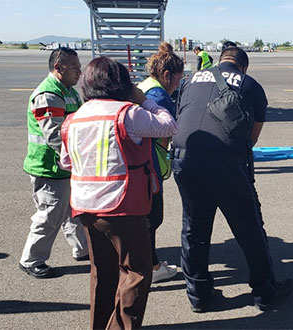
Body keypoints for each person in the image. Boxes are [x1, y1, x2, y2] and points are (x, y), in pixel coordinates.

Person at [172, 46, 293, 312]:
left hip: (185, 159)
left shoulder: (191, 80)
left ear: (219, 61)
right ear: (244, 67)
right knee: (249, 228)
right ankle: (264, 290)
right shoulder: (250, 85)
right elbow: (252, 137)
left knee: (194, 228)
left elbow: (181, 115)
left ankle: (198, 295)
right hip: (225, 163)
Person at [59, 56, 178, 329]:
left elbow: (67, 162)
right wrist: (142, 99)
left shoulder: (74, 118)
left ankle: (99, 325)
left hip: (86, 207)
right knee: (137, 272)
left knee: (102, 273)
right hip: (122, 204)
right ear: (121, 83)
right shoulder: (128, 113)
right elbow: (169, 125)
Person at [19, 47, 88, 279]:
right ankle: (32, 259)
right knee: (49, 215)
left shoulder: (68, 91)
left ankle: (82, 249)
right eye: (75, 68)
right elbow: (55, 136)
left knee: (73, 213)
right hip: (49, 169)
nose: (80, 72)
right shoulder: (49, 94)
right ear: (58, 68)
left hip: (64, 169)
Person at [137, 42, 184, 283]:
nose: (178, 84)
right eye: (177, 79)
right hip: (150, 164)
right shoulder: (159, 96)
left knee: (146, 218)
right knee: (152, 218)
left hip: (141, 161)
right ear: (166, 75)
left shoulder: (145, 85)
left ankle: (149, 263)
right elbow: (171, 129)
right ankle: (152, 268)